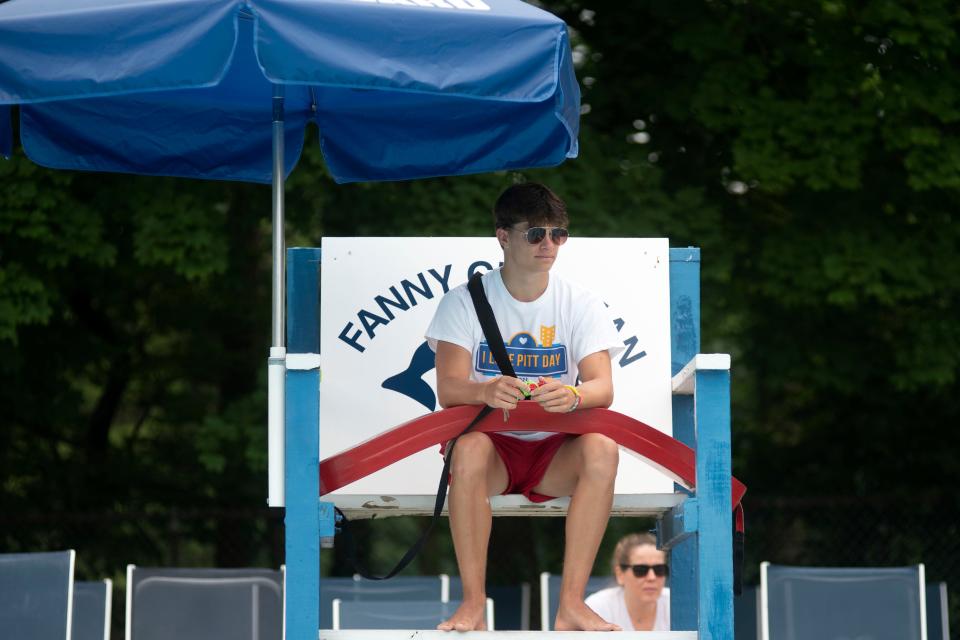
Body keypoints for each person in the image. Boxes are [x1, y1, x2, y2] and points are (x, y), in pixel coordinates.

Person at [425, 182, 624, 631]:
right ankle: (474, 603)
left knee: (603, 449)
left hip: (556, 451)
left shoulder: (580, 301)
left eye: (559, 234)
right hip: (492, 451)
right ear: (503, 236)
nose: (548, 245)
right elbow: (449, 388)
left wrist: (572, 395)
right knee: (469, 448)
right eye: (535, 234)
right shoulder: (463, 301)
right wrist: (485, 392)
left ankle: (571, 603)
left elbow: (602, 387)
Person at [584, 533, 671, 631]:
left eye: (659, 569)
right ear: (620, 574)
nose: (652, 577)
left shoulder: (676, 605)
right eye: (640, 570)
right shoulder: (597, 608)